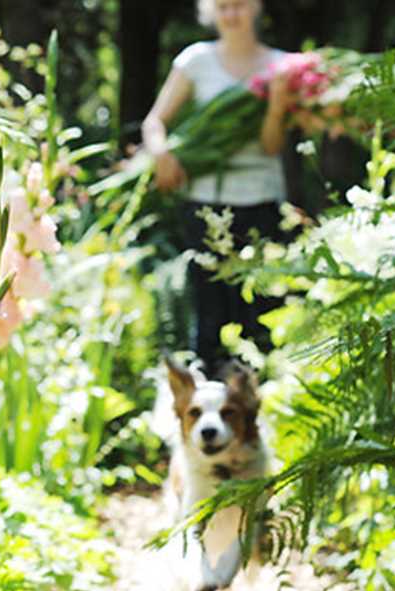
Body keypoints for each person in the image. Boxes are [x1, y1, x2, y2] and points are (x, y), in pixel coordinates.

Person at [141, 0, 294, 373]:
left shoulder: (281, 66)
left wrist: (276, 108)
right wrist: (162, 154)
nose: (232, 14)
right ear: (211, 13)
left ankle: (261, 402)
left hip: (261, 199)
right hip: (204, 202)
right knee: (209, 312)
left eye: (239, 5)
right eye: (223, 7)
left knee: (259, 310)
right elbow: (154, 123)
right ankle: (206, 397)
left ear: (255, 8)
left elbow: (272, 146)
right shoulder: (196, 60)